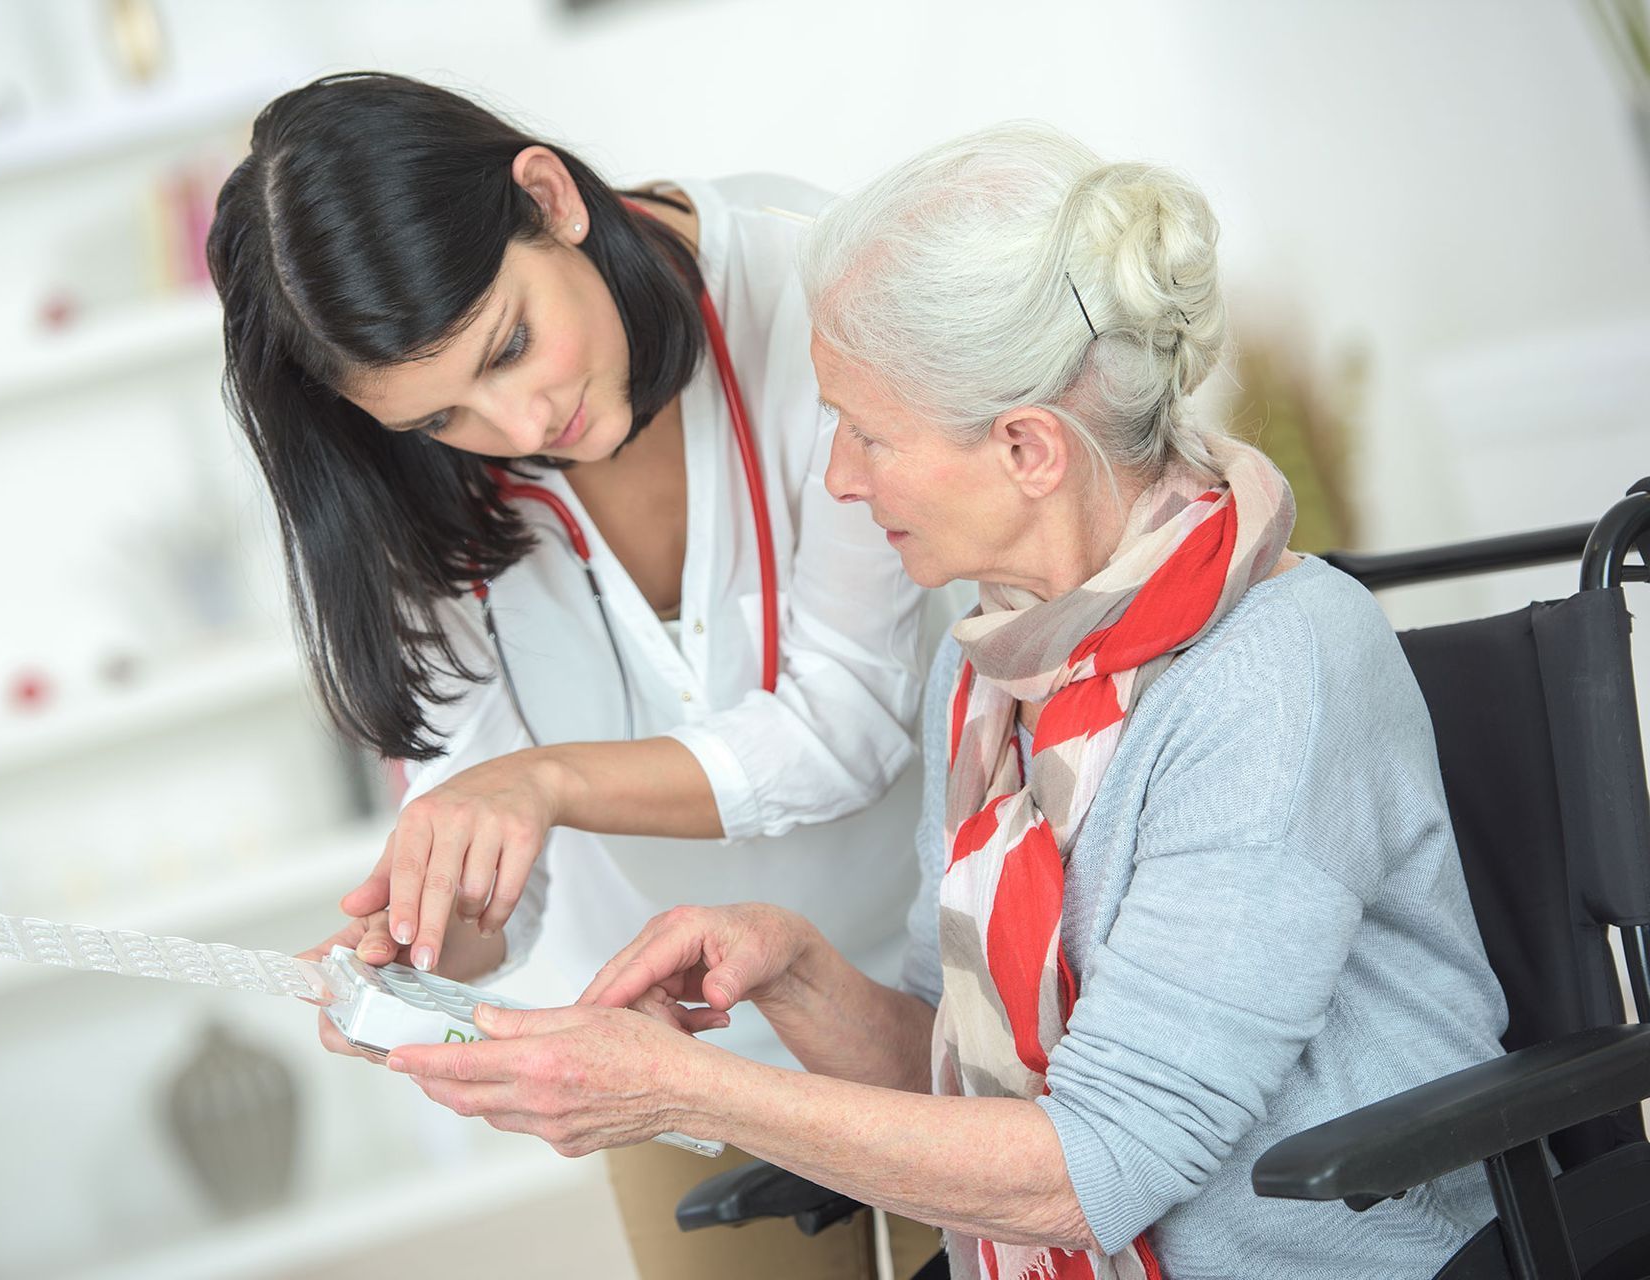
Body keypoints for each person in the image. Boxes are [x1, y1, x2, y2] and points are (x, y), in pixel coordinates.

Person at [322, 122, 1510, 1280]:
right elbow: (955, 1074)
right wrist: (789, 965)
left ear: (1029, 448)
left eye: (865, 433)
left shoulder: (1272, 674)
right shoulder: (994, 671)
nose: (835, 476)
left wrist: (686, 1085)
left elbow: (1094, 1165)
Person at [207, 74, 938, 1274]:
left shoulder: (825, 289)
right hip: (672, 1068)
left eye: (510, 345)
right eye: (442, 415)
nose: (516, 419)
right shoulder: (404, 485)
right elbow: (504, 864)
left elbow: (847, 721)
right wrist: (430, 938)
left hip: (934, 1014)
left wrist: (538, 782)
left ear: (548, 195)